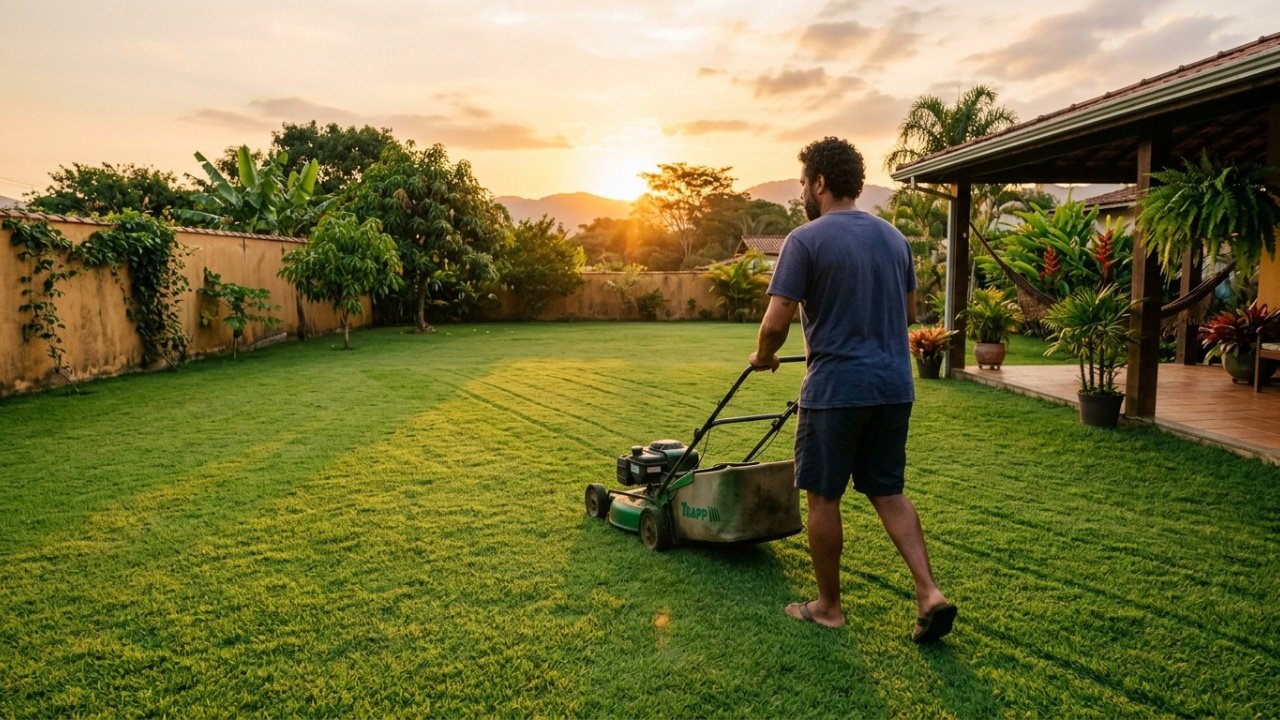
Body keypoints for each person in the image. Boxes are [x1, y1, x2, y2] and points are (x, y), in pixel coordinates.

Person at [748, 136, 956, 643]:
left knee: (823, 496)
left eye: (802, 181)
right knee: (888, 490)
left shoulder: (806, 239)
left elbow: (776, 320)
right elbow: (908, 314)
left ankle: (828, 607)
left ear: (819, 182)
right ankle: (929, 593)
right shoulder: (894, 239)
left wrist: (763, 355)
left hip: (837, 390)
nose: (801, 190)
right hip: (893, 386)